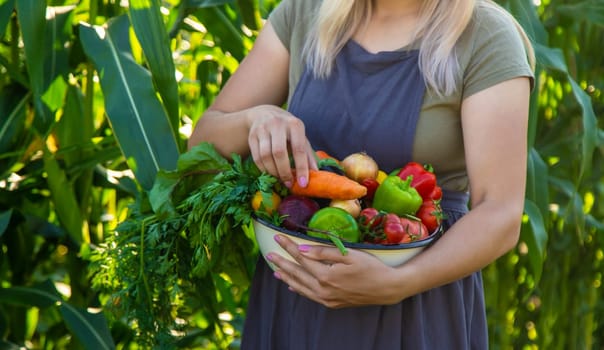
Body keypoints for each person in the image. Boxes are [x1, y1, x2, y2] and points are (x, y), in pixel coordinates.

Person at [188, 0, 534, 348]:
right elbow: (202, 145)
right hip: (296, 297)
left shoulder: (485, 36)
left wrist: (399, 283)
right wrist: (255, 119)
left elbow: (500, 213)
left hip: (417, 307)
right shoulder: (306, 13)